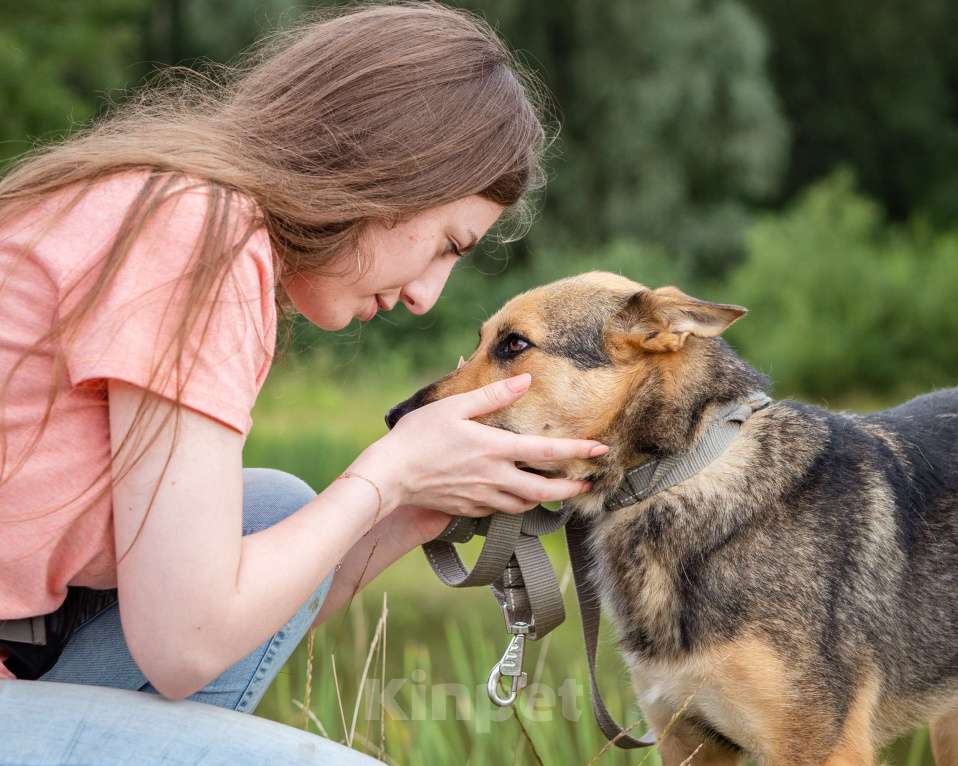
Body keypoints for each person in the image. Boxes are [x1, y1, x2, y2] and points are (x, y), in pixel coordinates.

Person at [0, 3, 607, 762]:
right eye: (448, 244)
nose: (426, 296)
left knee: (276, 510)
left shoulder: (185, 210)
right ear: (395, 170)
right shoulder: (195, 236)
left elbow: (230, 627)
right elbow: (185, 646)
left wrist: (418, 506)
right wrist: (389, 472)